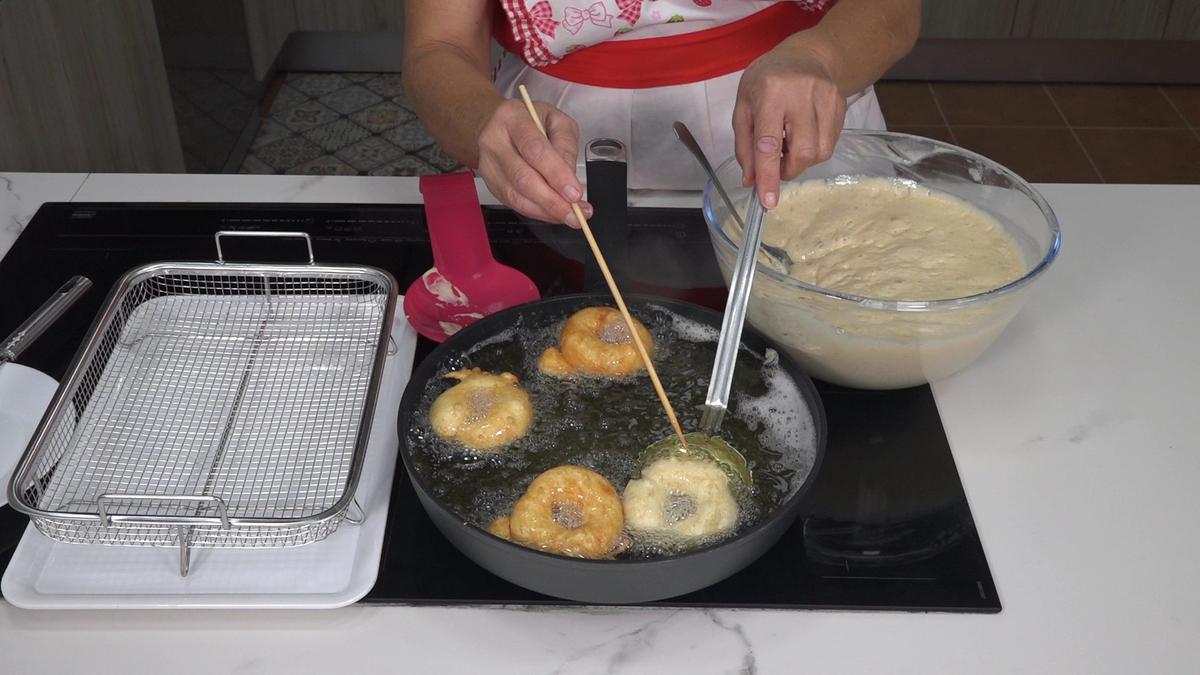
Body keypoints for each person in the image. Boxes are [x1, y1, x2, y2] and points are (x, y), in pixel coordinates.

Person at [403, 0, 920, 227]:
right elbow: (439, 45)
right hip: (567, 138)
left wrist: (820, 58)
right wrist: (479, 121)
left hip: (797, 106)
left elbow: (895, 8)